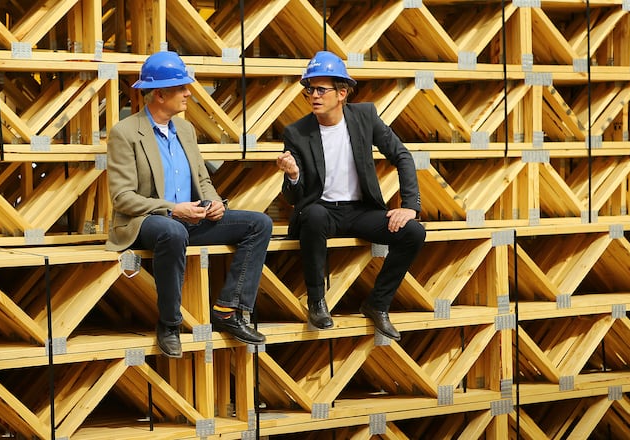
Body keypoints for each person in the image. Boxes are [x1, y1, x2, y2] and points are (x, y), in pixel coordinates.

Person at [106, 51, 273, 358]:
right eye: (181, 87)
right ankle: (169, 324)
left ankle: (228, 310)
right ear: (159, 94)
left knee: (259, 224)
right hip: (148, 220)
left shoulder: (185, 130)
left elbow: (202, 178)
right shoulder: (125, 133)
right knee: (172, 232)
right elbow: (122, 197)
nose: (188, 92)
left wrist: (213, 202)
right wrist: (171, 208)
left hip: (191, 218)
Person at [277, 51, 425, 340]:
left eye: (322, 89)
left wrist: (410, 207)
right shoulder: (296, 132)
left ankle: (377, 304)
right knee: (315, 215)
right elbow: (293, 197)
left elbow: (402, 156)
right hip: (321, 210)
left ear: (342, 93)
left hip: (360, 211)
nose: (314, 95)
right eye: (310, 89)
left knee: (414, 232)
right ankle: (317, 302)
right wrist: (293, 175)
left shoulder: (364, 117)